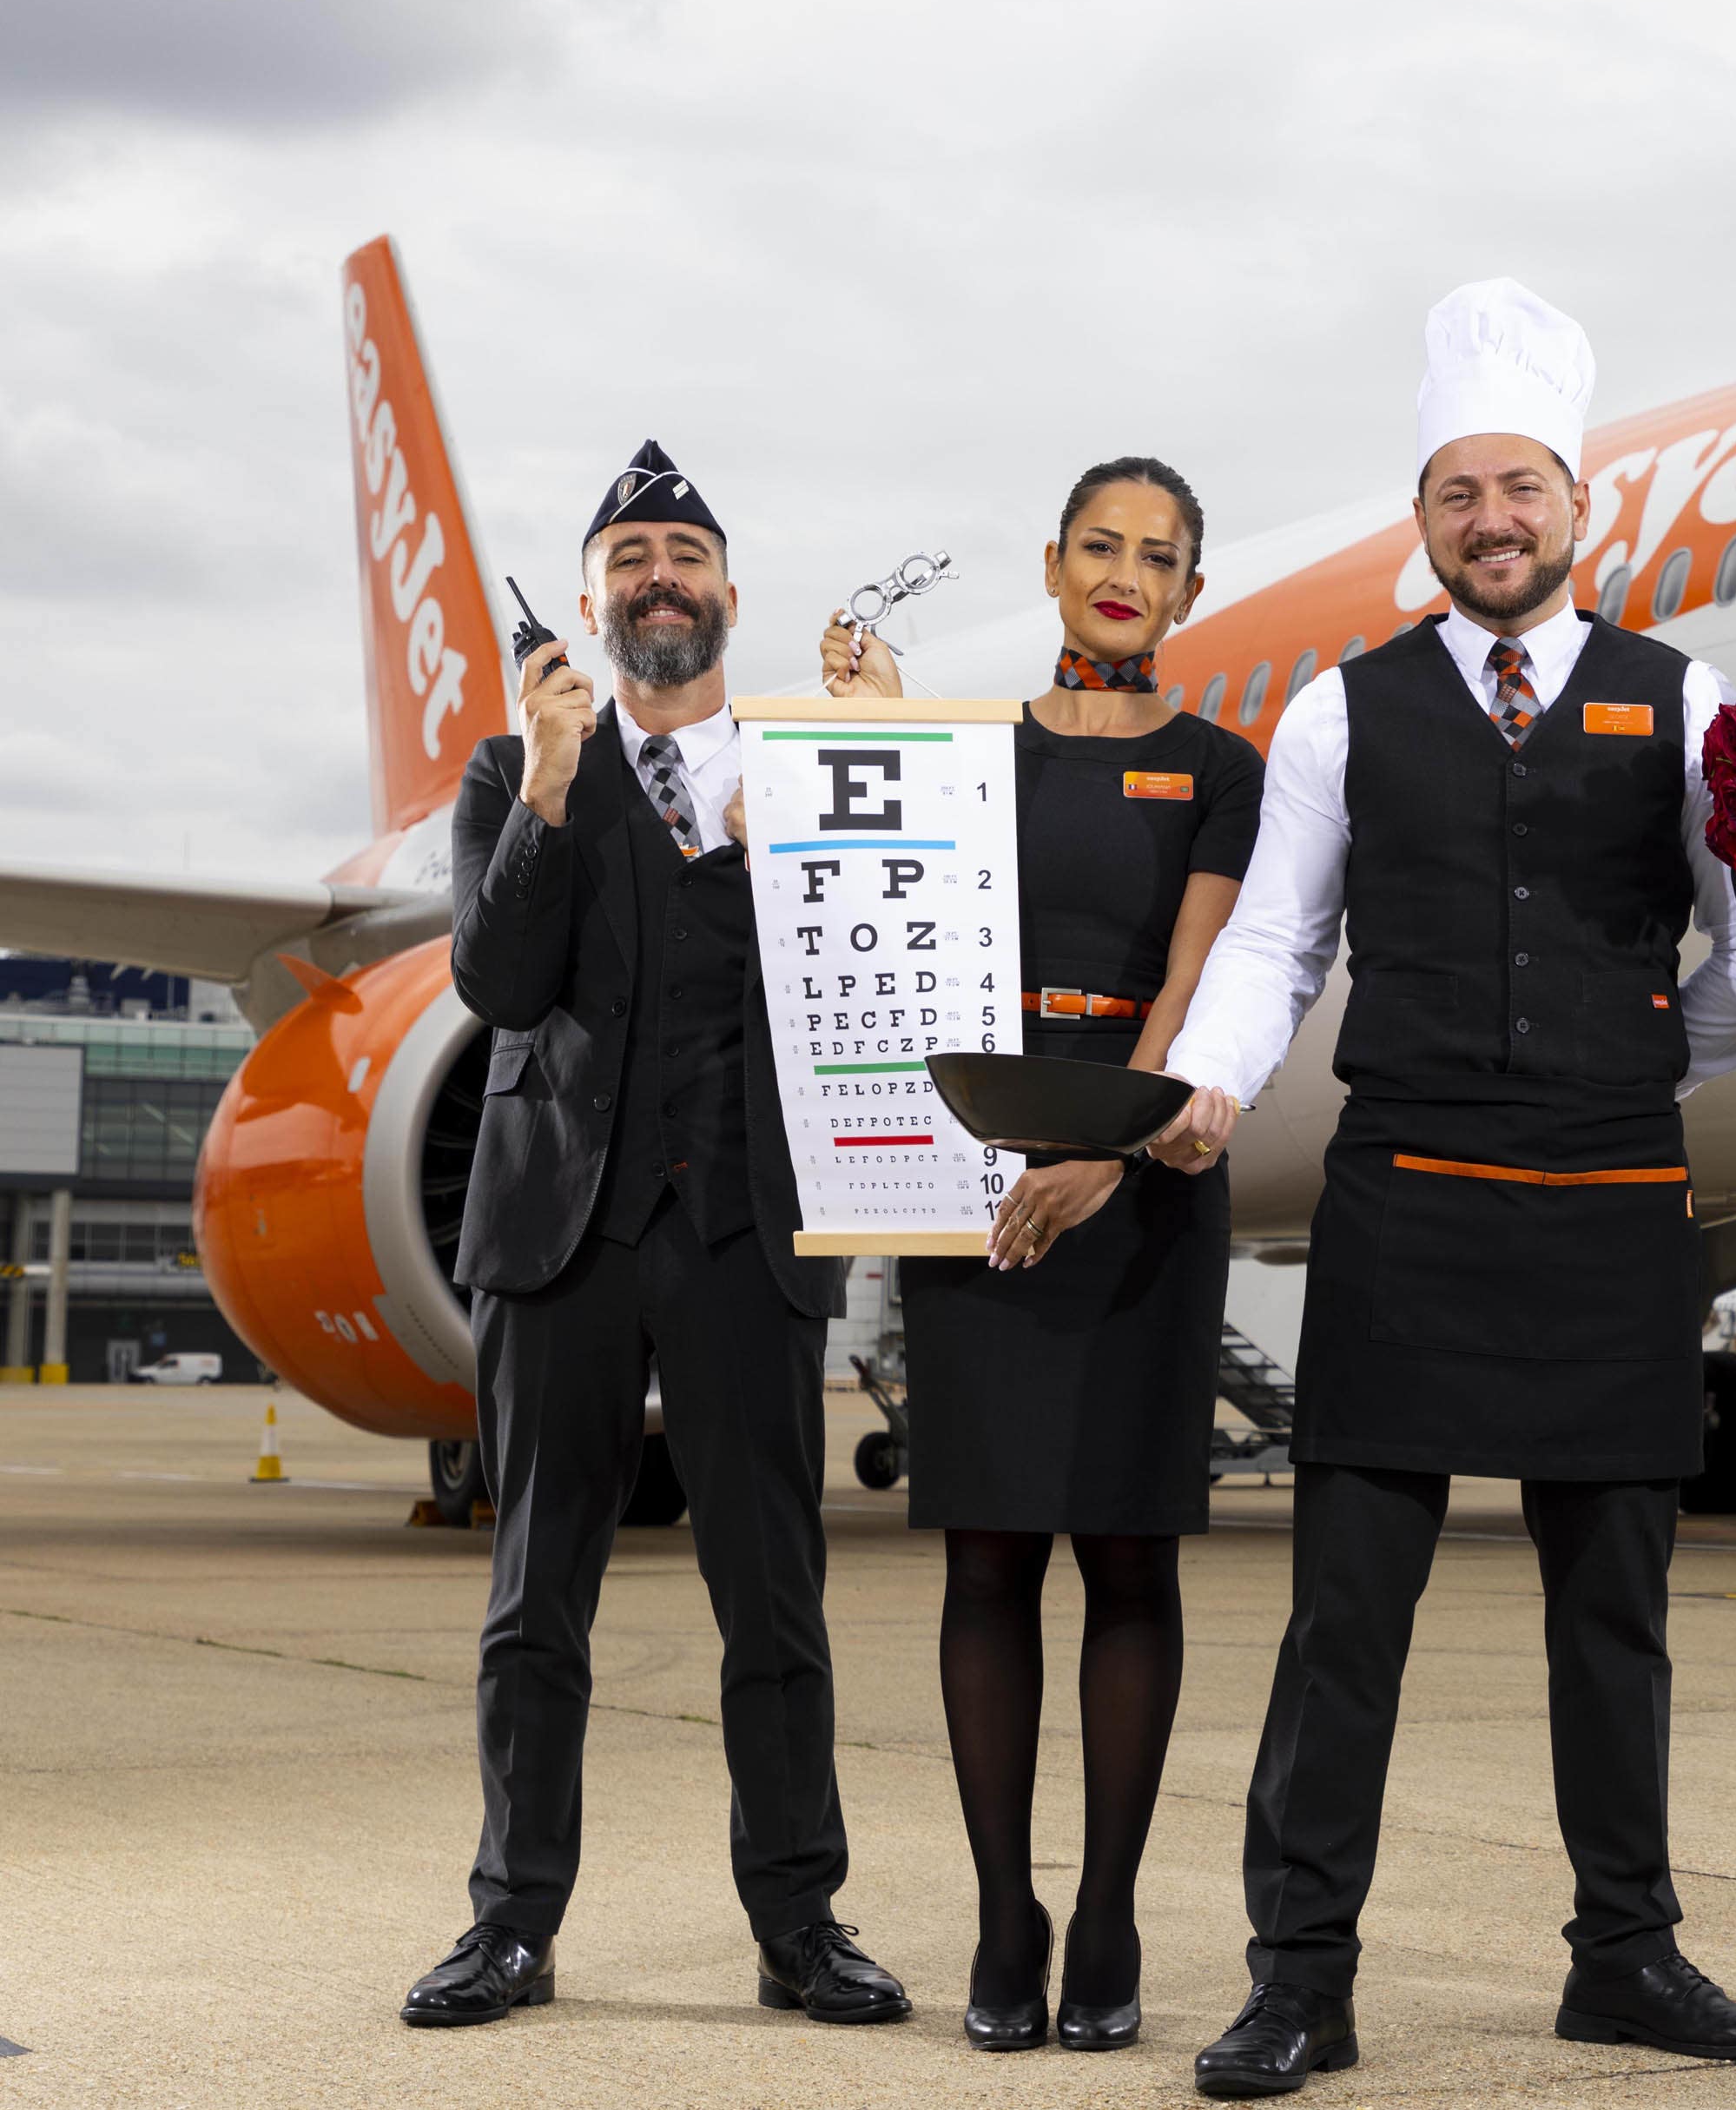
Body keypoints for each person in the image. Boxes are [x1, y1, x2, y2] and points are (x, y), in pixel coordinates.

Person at [1153, 279, 1736, 2099]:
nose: (1492, 520)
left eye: (1520, 486)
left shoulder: (1680, 700)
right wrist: (1204, 1085)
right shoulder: (1337, 714)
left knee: (1614, 1611)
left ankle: (1625, 1953)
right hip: (1407, 1202)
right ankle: (1300, 1975)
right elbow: (1276, 938)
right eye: (1458, 492)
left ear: (1574, 507)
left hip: (1608, 1206)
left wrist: (1638, 1065)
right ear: (1423, 516)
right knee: (1344, 1613)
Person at [407, 442, 908, 2028]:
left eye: (684, 553)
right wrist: (553, 783)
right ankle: (511, 1927)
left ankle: (800, 1924)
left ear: (730, 598)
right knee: (535, 1597)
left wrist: (872, 764)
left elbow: (899, 951)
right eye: (631, 557)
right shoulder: (515, 771)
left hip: (749, 1231)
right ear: (588, 604)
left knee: (775, 1601)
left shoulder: (807, 765)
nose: (660, 577)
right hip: (562, 1234)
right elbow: (498, 989)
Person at [817, 456, 1260, 2053]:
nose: (1126, 574)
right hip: (976, 1174)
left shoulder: (1224, 764)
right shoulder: (967, 756)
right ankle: (1007, 1914)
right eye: (1101, 547)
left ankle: (1113, 1913)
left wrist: (1109, 1149)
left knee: (1132, 1557)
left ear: (1190, 592)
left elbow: (1196, 976)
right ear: (1057, 570)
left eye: (1160, 555)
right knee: (988, 1554)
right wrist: (859, 719)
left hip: (1134, 1179)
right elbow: (882, 900)